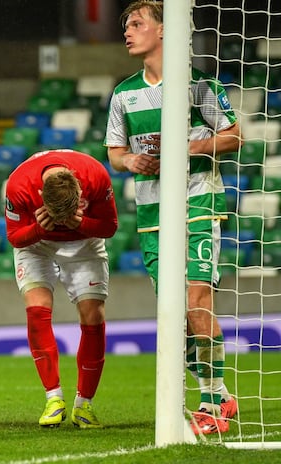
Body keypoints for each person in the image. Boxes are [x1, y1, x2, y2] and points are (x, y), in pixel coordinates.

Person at [105, 1, 242, 435]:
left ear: (166, 30)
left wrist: (188, 147)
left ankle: (211, 399)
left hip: (199, 202)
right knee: (176, 314)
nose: (128, 31)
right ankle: (216, 394)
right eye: (126, 25)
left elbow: (235, 135)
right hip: (151, 213)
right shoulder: (124, 93)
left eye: (138, 23)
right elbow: (113, 153)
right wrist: (130, 161)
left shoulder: (199, 86)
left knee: (197, 300)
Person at [4, 149, 118, 429]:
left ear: (81, 190)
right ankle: (53, 399)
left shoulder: (96, 176)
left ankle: (85, 406)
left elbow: (110, 226)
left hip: (85, 242)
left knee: (94, 317)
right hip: (36, 245)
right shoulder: (19, 185)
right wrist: (39, 230)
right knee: (36, 310)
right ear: (41, 195)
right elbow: (14, 237)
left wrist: (82, 223)